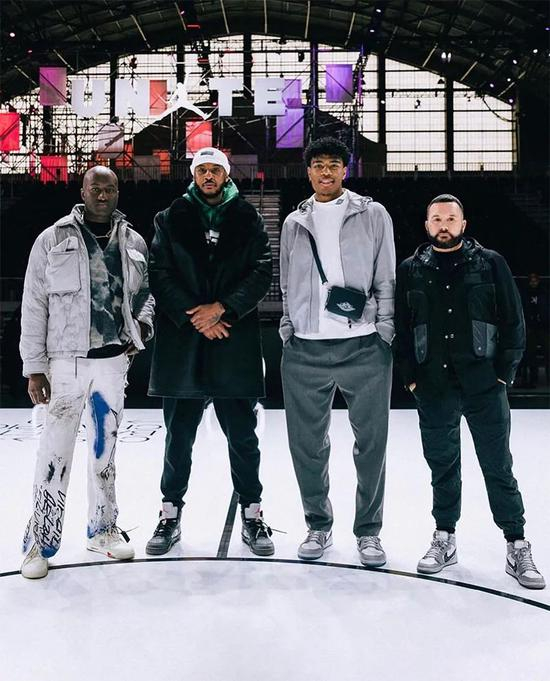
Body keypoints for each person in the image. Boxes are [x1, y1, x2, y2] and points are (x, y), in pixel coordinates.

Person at [395, 193, 545, 589]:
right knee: (442, 467)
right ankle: (444, 537)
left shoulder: (491, 263)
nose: (443, 225)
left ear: (463, 224)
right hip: (434, 387)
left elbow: (513, 322)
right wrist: (411, 379)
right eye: (437, 219)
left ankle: (516, 543)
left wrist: (503, 376)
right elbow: (402, 327)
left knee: (498, 466)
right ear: (427, 225)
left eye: (450, 219)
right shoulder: (411, 269)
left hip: (483, 386)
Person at [19, 166, 154, 579]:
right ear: (82, 191)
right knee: (54, 454)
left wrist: (142, 327)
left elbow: (145, 294)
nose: (103, 194)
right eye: (96, 187)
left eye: (110, 188)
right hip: (65, 363)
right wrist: (34, 367)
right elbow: (34, 303)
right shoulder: (52, 238)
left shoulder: (133, 241)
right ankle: (38, 542)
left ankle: (103, 528)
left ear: (118, 193)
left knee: (104, 452)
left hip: (112, 363)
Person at [146, 147, 274, 557]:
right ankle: (169, 515)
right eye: (201, 169)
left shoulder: (248, 217)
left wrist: (222, 309)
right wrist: (197, 317)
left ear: (225, 174)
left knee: (243, 437)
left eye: (214, 170)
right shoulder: (169, 218)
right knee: (178, 439)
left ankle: (252, 514)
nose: (207, 176)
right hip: (185, 341)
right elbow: (159, 272)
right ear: (193, 174)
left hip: (231, 337)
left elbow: (262, 271)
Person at [279, 137, 395, 565]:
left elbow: (386, 274)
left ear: (345, 170)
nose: (325, 171)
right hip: (305, 348)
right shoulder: (294, 221)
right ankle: (318, 525)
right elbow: (287, 280)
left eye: (333, 164)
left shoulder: (372, 213)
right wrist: (289, 326)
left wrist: (384, 329)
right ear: (308, 171)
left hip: (364, 345)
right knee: (307, 445)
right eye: (318, 165)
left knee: (372, 444)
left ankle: (369, 532)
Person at [521, 272, 549, 387]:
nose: (533, 283)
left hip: (543, 326)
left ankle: (545, 378)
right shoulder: (526, 294)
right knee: (531, 354)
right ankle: (533, 378)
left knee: (547, 352)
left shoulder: (544, 293)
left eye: (535, 281)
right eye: (531, 281)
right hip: (531, 327)